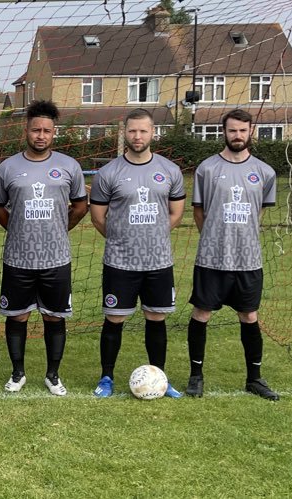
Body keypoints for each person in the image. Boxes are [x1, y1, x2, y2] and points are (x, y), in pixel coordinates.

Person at [0, 101, 88, 396]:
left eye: (46, 130)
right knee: (17, 316)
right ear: (26, 131)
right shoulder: (7, 167)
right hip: (18, 257)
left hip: (56, 257)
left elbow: (81, 205)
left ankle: (53, 374)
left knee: (54, 317)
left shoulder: (69, 166)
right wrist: (17, 227)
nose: (41, 135)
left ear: (53, 133)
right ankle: (17, 373)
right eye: (36, 130)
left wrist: (59, 227)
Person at [88, 108, 186, 399]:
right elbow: (98, 217)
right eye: (132, 131)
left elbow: (176, 213)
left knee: (156, 318)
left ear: (153, 133)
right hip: (120, 262)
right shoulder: (109, 173)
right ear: (125, 133)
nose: (138, 136)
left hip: (158, 262)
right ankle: (106, 377)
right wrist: (123, 239)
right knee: (114, 319)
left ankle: (160, 378)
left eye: (143, 131)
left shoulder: (169, 170)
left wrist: (152, 237)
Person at [186, 109, 280, 401]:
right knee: (201, 313)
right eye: (231, 131)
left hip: (248, 259)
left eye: (242, 130)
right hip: (211, 258)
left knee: (249, 315)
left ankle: (254, 379)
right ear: (223, 132)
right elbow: (199, 211)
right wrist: (214, 237)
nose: (237, 136)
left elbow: (259, 212)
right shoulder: (207, 169)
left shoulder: (265, 172)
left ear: (251, 131)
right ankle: (196, 376)